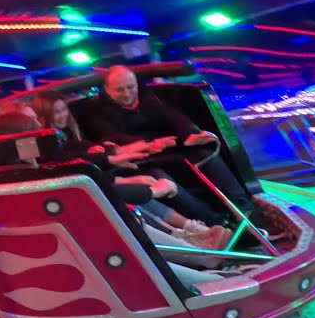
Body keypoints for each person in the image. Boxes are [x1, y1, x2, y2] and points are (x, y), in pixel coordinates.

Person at [0, 107, 226, 287]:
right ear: (25, 142)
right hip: (95, 251)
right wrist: (152, 191)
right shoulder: (33, 178)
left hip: (93, 236)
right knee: (131, 232)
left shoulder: (22, 171)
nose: (46, 131)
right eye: (37, 126)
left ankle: (205, 256)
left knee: (129, 219)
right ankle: (210, 276)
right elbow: (90, 191)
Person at [26, 92, 230, 248]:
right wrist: (114, 159)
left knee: (148, 183)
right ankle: (193, 234)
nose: (61, 115)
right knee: (140, 192)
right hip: (90, 192)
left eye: (63, 110)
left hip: (98, 183)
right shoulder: (46, 150)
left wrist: (112, 151)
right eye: (55, 112)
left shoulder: (65, 138)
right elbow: (77, 163)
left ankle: (197, 231)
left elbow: (85, 152)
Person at [82, 66, 256, 223]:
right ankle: (216, 222)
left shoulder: (147, 97)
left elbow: (172, 117)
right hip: (135, 162)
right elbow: (111, 137)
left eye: (130, 87)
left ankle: (246, 210)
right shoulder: (94, 110)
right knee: (162, 180)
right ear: (107, 90)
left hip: (164, 151)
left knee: (205, 156)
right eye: (120, 90)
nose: (127, 94)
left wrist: (191, 133)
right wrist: (150, 143)